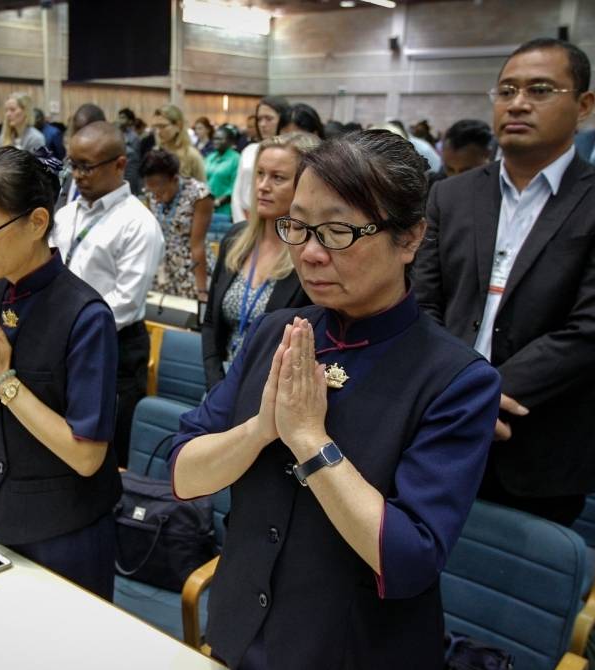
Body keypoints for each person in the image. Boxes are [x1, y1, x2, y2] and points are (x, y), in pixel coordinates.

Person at [171, 130, 500, 668]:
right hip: (241, 630)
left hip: (350, 647)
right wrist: (260, 430)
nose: (312, 253)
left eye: (340, 231)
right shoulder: (277, 331)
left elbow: (407, 560)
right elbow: (184, 473)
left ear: (411, 239)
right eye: (298, 226)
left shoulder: (456, 379)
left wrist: (309, 439)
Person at [413, 38, 595, 525]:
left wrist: (475, 398)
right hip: (437, 424)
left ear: (584, 105)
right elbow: (422, 301)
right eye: (506, 90)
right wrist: (452, 395)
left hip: (542, 435)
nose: (518, 103)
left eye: (540, 89)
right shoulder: (451, 195)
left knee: (517, 590)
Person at [0, 146, 121, 599]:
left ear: (37, 222)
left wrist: (4, 382)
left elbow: (86, 456)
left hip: (64, 530)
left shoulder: (85, 315)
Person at [53, 121, 163, 467]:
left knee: (105, 447)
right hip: (64, 340)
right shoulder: (66, 214)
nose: (78, 175)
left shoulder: (138, 223)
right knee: (63, 436)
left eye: (87, 166)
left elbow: (126, 303)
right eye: (73, 165)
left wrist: (71, 331)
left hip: (111, 345)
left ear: (118, 165)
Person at [201, 132, 316, 389]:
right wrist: (217, 385)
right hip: (219, 388)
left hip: (271, 396)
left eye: (278, 178)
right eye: (260, 174)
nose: (263, 186)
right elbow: (209, 323)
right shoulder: (236, 238)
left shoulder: (311, 255)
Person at [139, 149, 212, 301]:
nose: (156, 195)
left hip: (190, 268)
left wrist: (202, 290)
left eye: (161, 189)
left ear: (174, 179)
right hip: (162, 268)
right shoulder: (150, 193)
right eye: (151, 188)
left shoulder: (200, 195)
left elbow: (197, 245)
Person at [233, 96, 290, 226]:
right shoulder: (249, 150)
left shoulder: (290, 154)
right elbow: (237, 193)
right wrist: (240, 223)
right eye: (259, 119)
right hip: (245, 218)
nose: (263, 124)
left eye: (269, 119)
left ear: (282, 120)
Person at [151, 104, 206, 181]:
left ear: (178, 126)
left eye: (162, 126)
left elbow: (202, 188)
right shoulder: (155, 152)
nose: (158, 131)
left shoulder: (192, 155)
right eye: (155, 127)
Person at [205, 124, 241, 224]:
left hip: (224, 210)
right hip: (207, 207)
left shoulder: (236, 159)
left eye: (220, 139)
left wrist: (217, 202)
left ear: (230, 141)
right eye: (214, 139)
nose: (216, 142)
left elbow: (235, 187)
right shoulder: (210, 157)